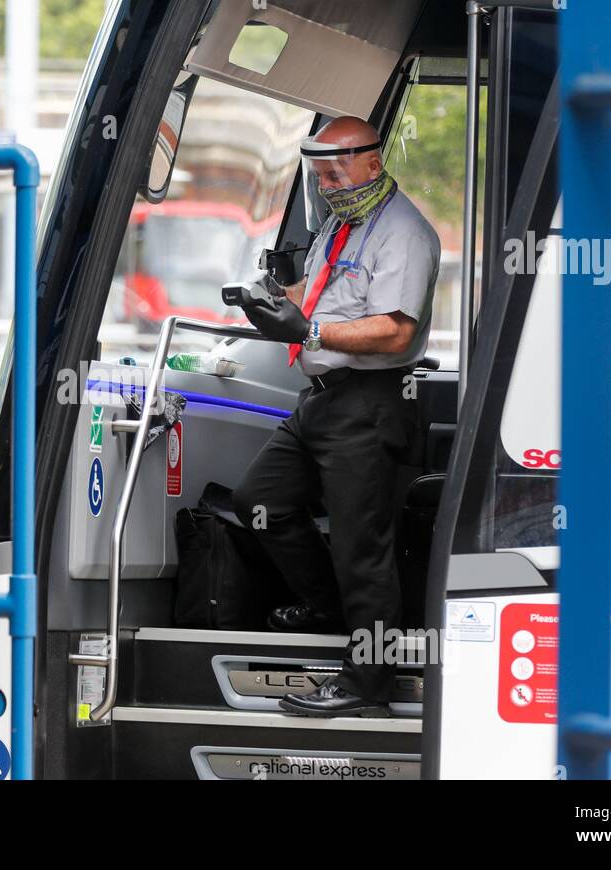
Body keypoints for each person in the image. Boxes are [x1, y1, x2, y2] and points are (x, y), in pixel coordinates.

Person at [232, 115, 440, 717]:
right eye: (318, 172)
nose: (326, 182)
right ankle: (330, 608)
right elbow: (316, 295)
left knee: (361, 548)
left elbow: (395, 331)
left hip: (367, 403)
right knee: (258, 502)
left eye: (337, 168)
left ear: (373, 161)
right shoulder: (340, 227)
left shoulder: (403, 233)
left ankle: (367, 683)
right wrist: (268, 301)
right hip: (320, 398)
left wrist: (312, 328)